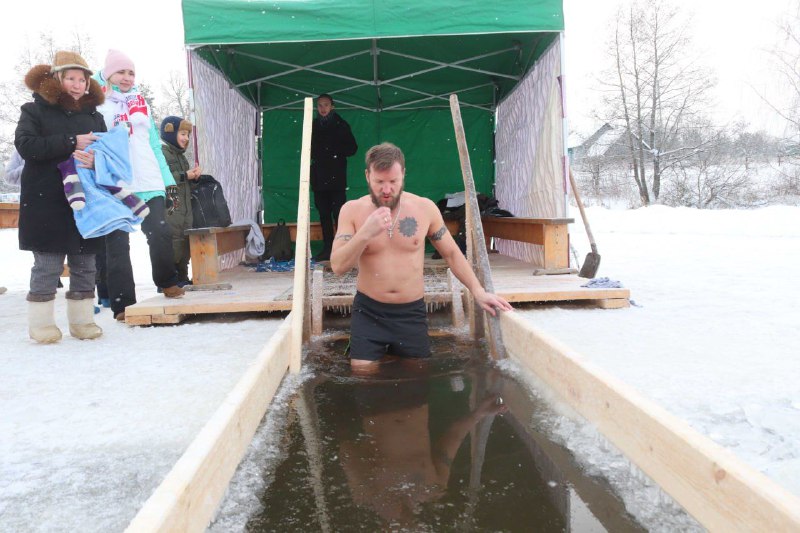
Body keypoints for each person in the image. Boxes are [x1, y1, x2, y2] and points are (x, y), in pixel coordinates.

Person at [330, 143, 513, 368]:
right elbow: (338, 266)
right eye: (379, 182)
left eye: (393, 182)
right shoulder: (352, 210)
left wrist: (478, 291)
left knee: (417, 377)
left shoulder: (424, 208)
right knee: (362, 376)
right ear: (367, 176)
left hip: (411, 312)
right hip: (369, 312)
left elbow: (452, 254)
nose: (386, 190)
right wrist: (366, 233)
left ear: (403, 175)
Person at [14, 50, 105, 343]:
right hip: (46, 199)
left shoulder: (95, 116)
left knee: (85, 263)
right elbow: (26, 145)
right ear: (57, 79)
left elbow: (109, 154)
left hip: (86, 201)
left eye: (83, 79)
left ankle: (82, 322)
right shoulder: (34, 110)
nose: (78, 84)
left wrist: (97, 162)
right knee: (48, 264)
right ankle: (41, 326)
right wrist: (70, 142)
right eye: (71, 78)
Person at [95, 49, 184, 322]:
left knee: (159, 231)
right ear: (108, 74)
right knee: (117, 243)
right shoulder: (98, 104)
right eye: (120, 72)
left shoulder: (140, 103)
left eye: (131, 72)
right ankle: (123, 302)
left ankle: (167, 281)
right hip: (116, 181)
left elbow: (155, 146)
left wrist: (168, 183)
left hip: (148, 178)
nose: (126, 77)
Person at [310, 93, 358, 261]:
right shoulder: (313, 125)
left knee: (339, 214)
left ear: (332, 106)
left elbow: (353, 148)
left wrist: (334, 151)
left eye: (326, 105)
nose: (323, 109)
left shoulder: (340, 124)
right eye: (320, 105)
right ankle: (328, 248)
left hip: (336, 178)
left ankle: (342, 248)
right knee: (323, 214)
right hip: (319, 178)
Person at [160, 116, 201, 285]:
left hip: (185, 208)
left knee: (185, 242)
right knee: (173, 242)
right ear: (170, 132)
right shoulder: (162, 153)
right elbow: (163, 178)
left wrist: (195, 178)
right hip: (171, 207)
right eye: (183, 134)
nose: (186, 138)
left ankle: (182, 277)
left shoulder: (180, 156)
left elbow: (184, 183)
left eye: (188, 135)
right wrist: (186, 175)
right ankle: (169, 280)